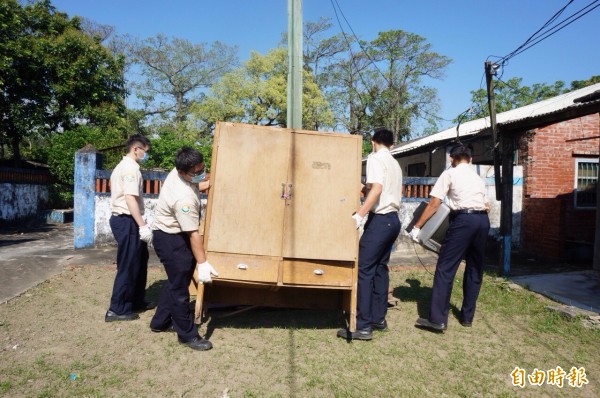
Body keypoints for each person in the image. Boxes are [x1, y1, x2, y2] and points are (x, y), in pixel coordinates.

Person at [410, 144, 490, 332]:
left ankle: (437, 319)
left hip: (463, 220)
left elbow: (435, 203)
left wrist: (417, 227)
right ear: (470, 159)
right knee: (474, 269)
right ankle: (467, 317)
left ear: (451, 159)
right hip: (483, 221)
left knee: (446, 268)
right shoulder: (477, 178)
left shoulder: (450, 174)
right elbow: (487, 205)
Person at [149, 146, 218, 351]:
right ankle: (187, 335)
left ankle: (159, 322)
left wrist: (209, 183)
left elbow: (198, 184)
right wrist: (203, 264)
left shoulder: (180, 172)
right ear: (182, 172)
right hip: (170, 237)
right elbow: (193, 234)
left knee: (176, 280)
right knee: (180, 289)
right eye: (196, 173)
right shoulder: (183, 200)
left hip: (172, 233)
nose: (200, 175)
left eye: (202, 169)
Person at [337, 128, 402, 341]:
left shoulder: (374, 158)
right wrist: (361, 187)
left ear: (373, 142)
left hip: (380, 220)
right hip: (393, 220)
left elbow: (377, 189)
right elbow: (377, 188)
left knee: (364, 270)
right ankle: (377, 318)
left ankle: (362, 326)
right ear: (391, 144)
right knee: (379, 269)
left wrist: (360, 214)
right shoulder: (394, 162)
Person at [105, 134, 154, 322]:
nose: (145, 154)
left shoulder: (126, 167)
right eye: (145, 151)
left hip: (130, 219)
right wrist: (142, 225)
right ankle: (117, 309)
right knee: (128, 264)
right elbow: (130, 198)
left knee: (140, 260)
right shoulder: (129, 169)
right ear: (136, 149)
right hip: (126, 220)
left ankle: (135, 300)